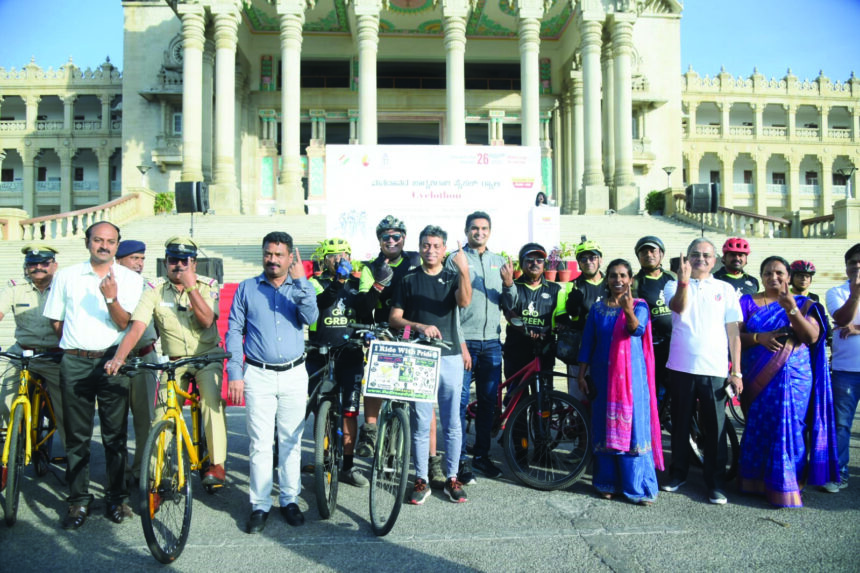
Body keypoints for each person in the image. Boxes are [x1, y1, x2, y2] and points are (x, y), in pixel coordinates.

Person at [43, 221, 143, 529]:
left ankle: (117, 498)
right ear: (88, 242)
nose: (104, 245)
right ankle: (78, 501)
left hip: (113, 361)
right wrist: (78, 348)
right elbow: (56, 322)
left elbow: (125, 324)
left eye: (110, 241)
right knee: (76, 435)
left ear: (117, 245)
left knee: (114, 436)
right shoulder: (67, 276)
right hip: (75, 361)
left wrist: (111, 298)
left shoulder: (129, 278)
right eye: (98, 240)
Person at [106, 237, 227, 489]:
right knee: (161, 415)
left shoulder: (208, 285)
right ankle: (155, 477)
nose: (179, 266)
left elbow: (207, 321)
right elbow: (137, 327)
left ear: (193, 262)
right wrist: (119, 357)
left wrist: (192, 288)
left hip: (207, 357)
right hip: (174, 362)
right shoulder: (153, 289)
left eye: (185, 260)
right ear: (166, 262)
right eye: (173, 260)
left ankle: (216, 463)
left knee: (210, 400)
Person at [225, 232, 318, 533]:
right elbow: (233, 332)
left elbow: (311, 316)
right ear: (262, 254)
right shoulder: (247, 288)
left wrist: (302, 281)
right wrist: (235, 374)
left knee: (291, 439)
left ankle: (289, 500)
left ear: (291, 257)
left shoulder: (301, 288)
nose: (273, 260)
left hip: (293, 373)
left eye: (279, 254)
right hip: (258, 374)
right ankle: (260, 504)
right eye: (268, 253)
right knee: (260, 443)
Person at [736, 256, 837, 507]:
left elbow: (812, 336)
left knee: (790, 426)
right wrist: (759, 337)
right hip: (758, 376)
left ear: (788, 276)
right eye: (768, 273)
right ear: (760, 276)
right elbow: (736, 336)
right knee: (760, 424)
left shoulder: (804, 303)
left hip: (795, 377)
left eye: (779, 272)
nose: (774, 277)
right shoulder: (747, 302)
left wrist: (791, 308)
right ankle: (754, 481)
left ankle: (787, 484)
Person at [389, 225, 472, 505]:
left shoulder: (451, 276)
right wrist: (420, 325)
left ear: (444, 249)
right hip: (419, 356)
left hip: (449, 356)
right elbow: (395, 318)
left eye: (436, 246)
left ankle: (451, 477)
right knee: (422, 421)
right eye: (426, 245)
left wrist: (464, 270)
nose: (431, 250)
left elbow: (465, 301)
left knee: (452, 422)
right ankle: (421, 478)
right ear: (420, 246)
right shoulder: (409, 279)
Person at [660, 237, 742, 505]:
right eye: (695, 254)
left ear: (715, 260)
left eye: (706, 255)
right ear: (687, 258)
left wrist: (736, 371)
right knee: (681, 423)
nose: (701, 259)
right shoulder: (673, 284)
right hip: (681, 366)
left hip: (715, 368)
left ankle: (715, 483)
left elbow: (733, 333)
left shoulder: (725, 288)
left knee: (715, 427)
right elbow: (679, 308)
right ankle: (678, 473)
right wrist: (684, 281)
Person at [577, 259, 663, 505]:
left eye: (623, 275)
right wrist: (582, 374)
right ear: (607, 279)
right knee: (604, 428)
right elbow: (588, 343)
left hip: (632, 382)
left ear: (631, 279)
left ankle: (637, 486)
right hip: (603, 380)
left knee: (633, 429)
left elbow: (636, 330)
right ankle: (606, 482)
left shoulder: (639, 306)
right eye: (613, 276)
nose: (618, 280)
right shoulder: (597, 309)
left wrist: (627, 310)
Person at [445, 211, 514, 483]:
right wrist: (460, 342)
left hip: (492, 344)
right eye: (474, 228)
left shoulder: (499, 262)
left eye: (484, 228)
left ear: (490, 231)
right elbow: (449, 307)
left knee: (487, 404)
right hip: (463, 342)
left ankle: (482, 457)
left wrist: (509, 284)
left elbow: (509, 304)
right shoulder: (455, 260)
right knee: (459, 404)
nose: (479, 232)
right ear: (466, 230)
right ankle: (459, 460)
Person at [353, 217, 426, 472]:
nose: (392, 241)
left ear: (404, 238)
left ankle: (427, 454)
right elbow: (363, 306)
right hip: (384, 329)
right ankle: (370, 429)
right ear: (379, 241)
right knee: (376, 374)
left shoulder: (416, 260)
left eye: (396, 236)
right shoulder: (371, 267)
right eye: (386, 238)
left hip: (413, 329)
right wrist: (379, 283)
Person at [306, 237, 368, 487]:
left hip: (351, 353)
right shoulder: (314, 283)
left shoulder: (357, 283)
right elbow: (321, 304)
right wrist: (338, 281)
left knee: (350, 410)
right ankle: (321, 456)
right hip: (319, 353)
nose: (338, 259)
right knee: (315, 406)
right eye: (332, 255)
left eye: (343, 254)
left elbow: (365, 312)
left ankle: (348, 466)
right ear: (324, 259)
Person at [0, 244, 64, 453]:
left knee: (66, 408)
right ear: (26, 267)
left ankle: (73, 459)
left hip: (54, 354)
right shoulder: (15, 288)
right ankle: (17, 437)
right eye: (32, 263)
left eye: (44, 263)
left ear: (54, 265)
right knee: (6, 399)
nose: (38, 267)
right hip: (22, 351)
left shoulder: (64, 287)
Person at [112, 239, 159, 483]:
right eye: (134, 258)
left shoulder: (149, 286)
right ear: (118, 260)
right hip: (113, 360)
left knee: (145, 419)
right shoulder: (106, 285)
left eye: (142, 258)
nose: (140, 263)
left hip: (144, 357)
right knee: (115, 422)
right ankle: (117, 477)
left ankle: (142, 472)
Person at [501, 243, 568, 380]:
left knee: (544, 398)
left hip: (544, 352)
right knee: (518, 398)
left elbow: (561, 315)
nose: (534, 264)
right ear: (521, 263)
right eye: (529, 260)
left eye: (539, 260)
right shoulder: (512, 287)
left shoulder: (555, 289)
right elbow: (509, 314)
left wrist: (563, 323)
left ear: (545, 264)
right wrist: (526, 329)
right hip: (516, 352)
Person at [824, 242, 860, 492]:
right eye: (852, 262)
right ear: (846, 267)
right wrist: (855, 294)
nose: (857, 266)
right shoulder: (835, 291)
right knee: (841, 424)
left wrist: (857, 330)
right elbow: (842, 319)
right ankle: (839, 474)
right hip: (846, 370)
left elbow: (850, 326)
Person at [631, 236, 676, 395]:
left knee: (676, 388)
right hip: (651, 346)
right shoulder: (635, 283)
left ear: (661, 254)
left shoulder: (673, 278)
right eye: (643, 252)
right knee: (653, 389)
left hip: (676, 344)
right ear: (638, 257)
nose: (649, 254)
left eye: (652, 250)